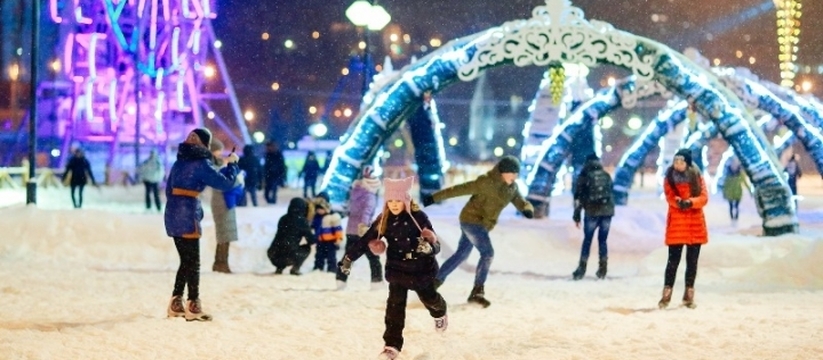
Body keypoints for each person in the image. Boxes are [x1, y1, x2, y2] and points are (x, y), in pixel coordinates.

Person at [338, 177, 447, 360]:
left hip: (421, 269)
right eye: (390, 201)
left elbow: (434, 242)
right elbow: (365, 241)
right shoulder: (384, 219)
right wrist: (348, 258)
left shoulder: (418, 217)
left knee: (429, 298)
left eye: (398, 200)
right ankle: (391, 345)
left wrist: (429, 248)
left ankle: (440, 312)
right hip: (398, 270)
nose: (394, 204)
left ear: (405, 200)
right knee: (394, 308)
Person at [422, 155, 535, 308]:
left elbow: (521, 201)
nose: (515, 176)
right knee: (487, 253)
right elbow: (459, 189)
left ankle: (432, 286)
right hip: (471, 220)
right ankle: (477, 292)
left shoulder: (512, 188)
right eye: (512, 173)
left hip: (483, 225)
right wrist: (434, 198)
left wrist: (527, 209)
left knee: (461, 254)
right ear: (503, 171)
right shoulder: (486, 182)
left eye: (516, 173)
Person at [164, 128, 239, 321]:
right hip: (187, 215)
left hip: (172, 214)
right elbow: (225, 184)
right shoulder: (201, 164)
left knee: (185, 260)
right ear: (205, 145)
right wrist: (232, 166)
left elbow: (168, 190)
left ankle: (176, 301)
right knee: (193, 262)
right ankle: (193, 304)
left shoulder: (179, 162)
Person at [658, 149, 709, 310]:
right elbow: (669, 196)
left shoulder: (697, 176)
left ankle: (689, 295)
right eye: (676, 161)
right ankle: (666, 294)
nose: (678, 164)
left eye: (681, 161)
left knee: (692, 262)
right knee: (673, 262)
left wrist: (690, 202)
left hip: (695, 225)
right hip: (677, 226)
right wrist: (678, 202)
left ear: (687, 163)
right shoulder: (669, 177)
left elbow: (704, 197)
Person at [336, 166, 383, 290]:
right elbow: (366, 212)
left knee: (348, 257)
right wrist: (364, 226)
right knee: (373, 258)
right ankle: (376, 282)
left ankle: (340, 280)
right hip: (363, 231)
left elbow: (349, 210)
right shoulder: (370, 195)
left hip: (350, 230)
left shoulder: (355, 192)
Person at [571, 154, 615, 280]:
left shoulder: (584, 175)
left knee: (588, 240)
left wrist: (577, 215)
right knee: (603, 241)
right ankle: (603, 269)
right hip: (607, 212)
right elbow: (611, 191)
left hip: (592, 211)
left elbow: (578, 197)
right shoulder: (605, 174)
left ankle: (581, 269)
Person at [209, 139, 245, 274]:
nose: (220, 153)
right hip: (221, 202)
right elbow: (222, 182)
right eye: (218, 150)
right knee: (224, 234)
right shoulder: (212, 165)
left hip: (224, 201)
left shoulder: (217, 164)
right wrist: (229, 166)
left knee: (225, 234)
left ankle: (220, 262)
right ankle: (221, 263)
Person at [267, 197, 316, 275]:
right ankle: (295, 269)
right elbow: (311, 240)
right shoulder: (302, 221)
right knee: (307, 248)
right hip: (289, 254)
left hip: (273, 254)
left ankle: (279, 267)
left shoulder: (283, 218)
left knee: (284, 246)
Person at [311, 197, 343, 272]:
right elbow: (314, 227)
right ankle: (318, 267)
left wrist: (338, 239)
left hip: (331, 241)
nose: (319, 211)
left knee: (331, 256)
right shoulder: (316, 217)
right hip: (320, 241)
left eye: (321, 209)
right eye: (318, 209)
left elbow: (338, 230)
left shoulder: (332, 217)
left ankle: (332, 268)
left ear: (326, 209)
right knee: (319, 255)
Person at [722, 157, 749, 222]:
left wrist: (749, 190)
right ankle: (732, 218)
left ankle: (736, 218)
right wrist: (724, 193)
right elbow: (725, 184)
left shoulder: (740, 174)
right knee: (731, 206)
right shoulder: (728, 175)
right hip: (730, 193)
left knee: (736, 206)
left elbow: (744, 182)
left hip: (738, 192)